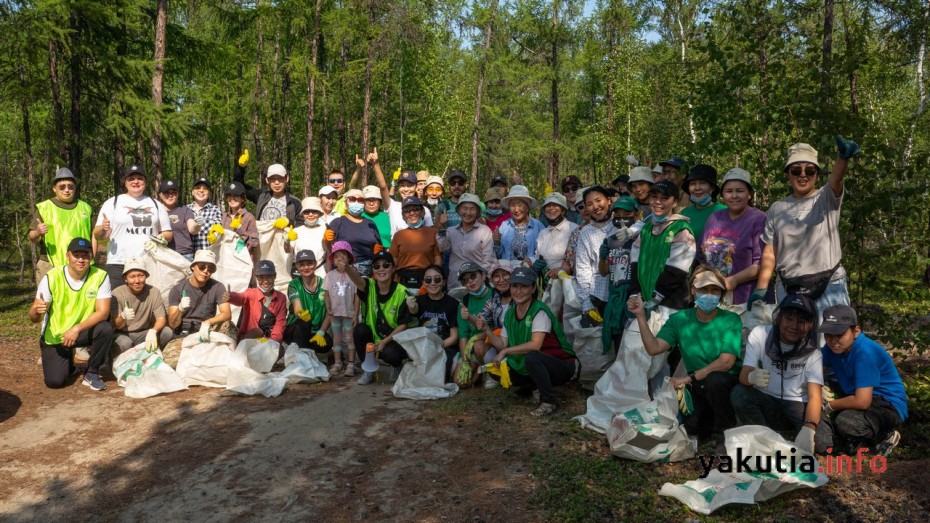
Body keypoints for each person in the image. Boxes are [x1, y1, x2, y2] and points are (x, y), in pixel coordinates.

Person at [628, 266, 742, 454]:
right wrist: (640, 316)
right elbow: (654, 348)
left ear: (721, 294)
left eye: (715, 290)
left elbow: (726, 362)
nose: (709, 294)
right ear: (693, 291)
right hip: (697, 384)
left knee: (715, 381)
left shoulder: (731, 319)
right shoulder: (679, 319)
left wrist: (688, 378)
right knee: (691, 428)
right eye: (704, 289)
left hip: (724, 382)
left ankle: (724, 435)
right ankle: (706, 429)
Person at [750, 137, 861, 319]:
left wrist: (843, 158)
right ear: (788, 174)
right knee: (793, 343)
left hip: (829, 285)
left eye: (809, 170)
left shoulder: (825, 199)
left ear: (817, 174)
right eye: (796, 170)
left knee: (831, 344)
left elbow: (836, 180)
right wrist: (761, 288)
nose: (803, 175)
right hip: (789, 287)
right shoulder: (777, 208)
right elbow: (770, 252)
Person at [730, 294, 825, 454]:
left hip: (797, 405)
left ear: (810, 325)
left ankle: (793, 434)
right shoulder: (761, 334)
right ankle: (763, 439)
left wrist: (809, 427)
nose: (794, 326)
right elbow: (743, 375)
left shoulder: (813, 353)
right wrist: (751, 377)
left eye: (801, 321)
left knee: (823, 443)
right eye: (789, 319)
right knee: (739, 393)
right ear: (779, 318)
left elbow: (815, 396)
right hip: (768, 400)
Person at [478, 267, 578, 416]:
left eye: (524, 286)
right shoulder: (511, 313)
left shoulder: (539, 310)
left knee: (532, 356)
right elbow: (502, 344)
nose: (518, 291)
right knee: (494, 368)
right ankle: (532, 387)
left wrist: (505, 351)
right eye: (515, 286)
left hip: (562, 365)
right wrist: (486, 329)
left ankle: (548, 401)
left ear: (533, 288)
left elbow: (535, 345)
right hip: (537, 363)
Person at [818, 304, 907, 456]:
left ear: (856, 331)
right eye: (828, 335)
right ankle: (858, 442)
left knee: (846, 423)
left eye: (839, 334)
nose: (833, 341)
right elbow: (814, 367)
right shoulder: (833, 348)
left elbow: (862, 401)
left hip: (886, 404)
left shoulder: (864, 353)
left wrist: (830, 405)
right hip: (857, 393)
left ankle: (884, 437)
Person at [29, 237, 112, 391]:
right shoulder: (52, 277)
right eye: (76, 255)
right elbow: (34, 318)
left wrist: (76, 329)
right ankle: (70, 365)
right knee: (55, 382)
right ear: (68, 256)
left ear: (91, 257)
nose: (81, 260)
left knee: (105, 328)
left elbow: (103, 312)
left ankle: (92, 372)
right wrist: (35, 311)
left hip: (81, 331)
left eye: (85, 255)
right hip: (56, 335)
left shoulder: (100, 276)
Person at [94, 163, 172, 295]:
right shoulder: (112, 203)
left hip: (148, 262)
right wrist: (103, 228)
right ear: (125, 182)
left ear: (145, 182)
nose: (136, 182)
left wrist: (160, 238)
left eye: (139, 178)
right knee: (116, 304)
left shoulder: (156, 204)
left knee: (147, 304)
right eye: (131, 179)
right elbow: (97, 235)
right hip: (118, 263)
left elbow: (168, 233)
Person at [346, 251, 415, 385]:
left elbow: (404, 325)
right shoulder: (369, 285)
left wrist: (384, 342)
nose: (381, 269)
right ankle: (368, 370)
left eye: (386, 265)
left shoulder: (402, 291)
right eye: (376, 266)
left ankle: (396, 365)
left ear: (393, 268)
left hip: (394, 339)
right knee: (359, 330)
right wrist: (347, 267)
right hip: (373, 337)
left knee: (392, 355)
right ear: (373, 270)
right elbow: (357, 280)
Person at [700, 168, 767, 306]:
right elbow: (701, 255)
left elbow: (762, 263)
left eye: (740, 191)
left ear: (749, 194)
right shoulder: (714, 218)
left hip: (746, 298)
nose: (734, 195)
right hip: (714, 297)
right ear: (722, 195)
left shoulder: (759, 219)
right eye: (729, 191)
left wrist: (734, 280)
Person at [629, 179, 696, 314]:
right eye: (654, 197)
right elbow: (635, 263)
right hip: (644, 301)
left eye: (665, 198)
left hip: (669, 305)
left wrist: (655, 298)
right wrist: (634, 294)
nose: (658, 202)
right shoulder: (646, 229)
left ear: (675, 202)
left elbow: (677, 272)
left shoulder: (681, 230)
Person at [163, 250, 233, 368]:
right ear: (193, 267)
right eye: (201, 267)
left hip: (208, 332)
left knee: (228, 325)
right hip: (185, 334)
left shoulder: (218, 287)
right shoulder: (177, 290)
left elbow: (227, 314)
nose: (206, 271)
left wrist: (207, 323)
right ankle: (205, 359)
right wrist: (180, 309)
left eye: (210, 269)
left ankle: (215, 359)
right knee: (169, 362)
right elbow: (172, 324)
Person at [29, 167, 95, 285]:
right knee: (46, 302)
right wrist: (38, 232)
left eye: (70, 186)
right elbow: (32, 237)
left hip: (80, 263)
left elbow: (94, 236)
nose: (67, 190)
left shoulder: (86, 208)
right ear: (54, 188)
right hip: (50, 263)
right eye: (62, 187)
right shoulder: (45, 208)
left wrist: (92, 258)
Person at [598, 196, 642, 352]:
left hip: (633, 297)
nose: (622, 218)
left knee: (633, 346)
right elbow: (603, 272)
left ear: (636, 215)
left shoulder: (641, 236)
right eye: (617, 214)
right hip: (614, 298)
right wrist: (602, 257)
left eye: (627, 213)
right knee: (618, 347)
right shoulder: (610, 240)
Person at [407, 264, 460, 380]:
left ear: (444, 282)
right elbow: (414, 311)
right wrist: (411, 306)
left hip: (445, 347)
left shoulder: (453, 304)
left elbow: (454, 337)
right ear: (423, 282)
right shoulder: (419, 301)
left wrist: (438, 346)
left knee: (438, 376)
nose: (432, 283)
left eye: (437, 279)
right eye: (428, 280)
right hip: (423, 347)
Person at [111, 256, 173, 354]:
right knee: (124, 343)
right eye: (132, 277)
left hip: (145, 332)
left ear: (146, 276)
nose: (137, 281)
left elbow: (161, 319)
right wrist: (123, 316)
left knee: (167, 332)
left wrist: (153, 331)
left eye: (141, 275)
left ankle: (157, 354)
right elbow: (117, 325)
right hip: (124, 333)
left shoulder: (154, 292)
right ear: (125, 278)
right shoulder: (117, 293)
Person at [574, 186, 616, 325]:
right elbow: (583, 268)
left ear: (608, 200)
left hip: (624, 294)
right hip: (598, 295)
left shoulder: (622, 223)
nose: (596, 207)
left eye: (599, 200)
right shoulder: (586, 232)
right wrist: (587, 302)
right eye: (590, 204)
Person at [438, 193, 497, 292]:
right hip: (455, 285)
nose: (468, 213)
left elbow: (489, 260)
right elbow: (443, 248)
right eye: (464, 208)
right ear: (459, 210)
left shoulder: (484, 231)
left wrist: (479, 280)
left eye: (472, 209)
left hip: (478, 287)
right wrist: (442, 227)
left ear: (478, 212)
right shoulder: (451, 231)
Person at [534, 192, 578, 313]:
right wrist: (536, 264)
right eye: (548, 206)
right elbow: (538, 255)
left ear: (563, 210)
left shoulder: (573, 229)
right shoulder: (543, 233)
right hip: (546, 284)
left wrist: (561, 269)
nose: (551, 208)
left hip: (567, 284)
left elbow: (576, 259)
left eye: (555, 205)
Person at [323, 188, 383, 276]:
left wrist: (377, 257)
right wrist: (326, 240)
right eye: (352, 199)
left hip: (369, 274)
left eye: (360, 200)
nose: (356, 202)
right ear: (345, 203)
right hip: (344, 272)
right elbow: (328, 250)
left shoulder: (370, 223)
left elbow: (378, 247)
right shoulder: (338, 222)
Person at [285, 250, 333, 356]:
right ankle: (301, 357)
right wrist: (300, 313)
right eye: (302, 264)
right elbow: (297, 307)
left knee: (327, 344)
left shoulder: (324, 284)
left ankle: (304, 351)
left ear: (315, 264)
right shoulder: (294, 284)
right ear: (297, 266)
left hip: (315, 331)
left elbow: (330, 312)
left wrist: (321, 332)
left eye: (309, 264)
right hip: (296, 328)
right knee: (304, 322)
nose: (306, 268)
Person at [233, 151, 302, 225]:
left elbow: (301, 223)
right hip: (262, 235)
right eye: (272, 179)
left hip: (284, 236)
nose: (276, 182)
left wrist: (289, 222)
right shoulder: (261, 196)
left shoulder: (295, 202)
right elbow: (239, 186)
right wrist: (241, 168)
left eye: (280, 178)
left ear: (287, 178)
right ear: (267, 180)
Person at [323, 242, 360, 376]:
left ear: (349, 258)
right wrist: (328, 307)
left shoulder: (354, 275)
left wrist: (356, 314)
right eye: (337, 257)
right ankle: (338, 362)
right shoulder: (330, 275)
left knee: (350, 339)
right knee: (337, 339)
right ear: (333, 260)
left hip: (349, 313)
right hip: (335, 313)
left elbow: (357, 296)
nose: (340, 260)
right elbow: (326, 293)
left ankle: (351, 363)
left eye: (343, 256)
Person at [229, 260, 287, 344]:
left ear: (275, 276)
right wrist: (231, 296)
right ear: (257, 278)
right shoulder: (251, 293)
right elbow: (241, 298)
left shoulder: (281, 298)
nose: (265, 281)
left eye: (269, 276)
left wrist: (273, 342)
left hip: (269, 341)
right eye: (261, 277)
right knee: (256, 332)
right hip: (249, 340)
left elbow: (280, 323)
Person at [390, 197, 442, 288]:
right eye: (407, 211)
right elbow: (393, 261)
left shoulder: (433, 232)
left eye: (416, 209)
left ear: (423, 212)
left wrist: (433, 280)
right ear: (403, 216)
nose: (412, 213)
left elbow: (438, 259)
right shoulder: (398, 235)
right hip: (403, 280)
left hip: (427, 280)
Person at [495, 185, 544, 262]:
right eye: (512, 205)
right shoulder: (505, 226)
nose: (516, 209)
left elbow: (543, 253)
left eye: (520, 205)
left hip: (530, 271)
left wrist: (531, 260)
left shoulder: (538, 226)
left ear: (527, 207)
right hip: (508, 271)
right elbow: (498, 255)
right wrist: (496, 242)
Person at [680, 164, 726, 244]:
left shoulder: (724, 212)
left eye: (702, 183)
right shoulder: (684, 213)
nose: (697, 188)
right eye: (693, 184)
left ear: (712, 188)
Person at [157, 179, 202, 261]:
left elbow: (193, 229)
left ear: (177, 194)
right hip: (163, 256)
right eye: (166, 192)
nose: (170, 196)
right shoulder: (155, 212)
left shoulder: (185, 210)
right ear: (160, 194)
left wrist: (198, 224)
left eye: (173, 193)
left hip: (185, 256)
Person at [383, 169, 435, 237]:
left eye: (410, 185)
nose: (406, 189)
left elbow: (430, 235)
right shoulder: (394, 206)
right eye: (402, 185)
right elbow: (383, 189)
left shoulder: (426, 209)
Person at [286, 197, 327, 278]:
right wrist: (286, 240)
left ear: (320, 213)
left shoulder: (326, 230)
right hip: (300, 275)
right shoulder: (296, 231)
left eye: (314, 212)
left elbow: (329, 254)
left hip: (321, 274)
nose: (310, 214)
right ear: (302, 214)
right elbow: (288, 251)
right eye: (307, 212)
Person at [221, 181, 259, 261]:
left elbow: (254, 243)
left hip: (242, 260)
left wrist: (240, 229)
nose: (232, 199)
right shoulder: (224, 216)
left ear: (242, 198)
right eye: (229, 196)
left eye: (236, 196)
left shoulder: (249, 217)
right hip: (225, 259)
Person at [188, 177, 223, 252]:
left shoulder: (215, 210)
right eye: (197, 188)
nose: (201, 190)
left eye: (205, 189)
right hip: (188, 257)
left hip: (208, 255)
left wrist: (216, 234)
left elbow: (217, 231)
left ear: (209, 192)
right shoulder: (185, 209)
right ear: (192, 192)